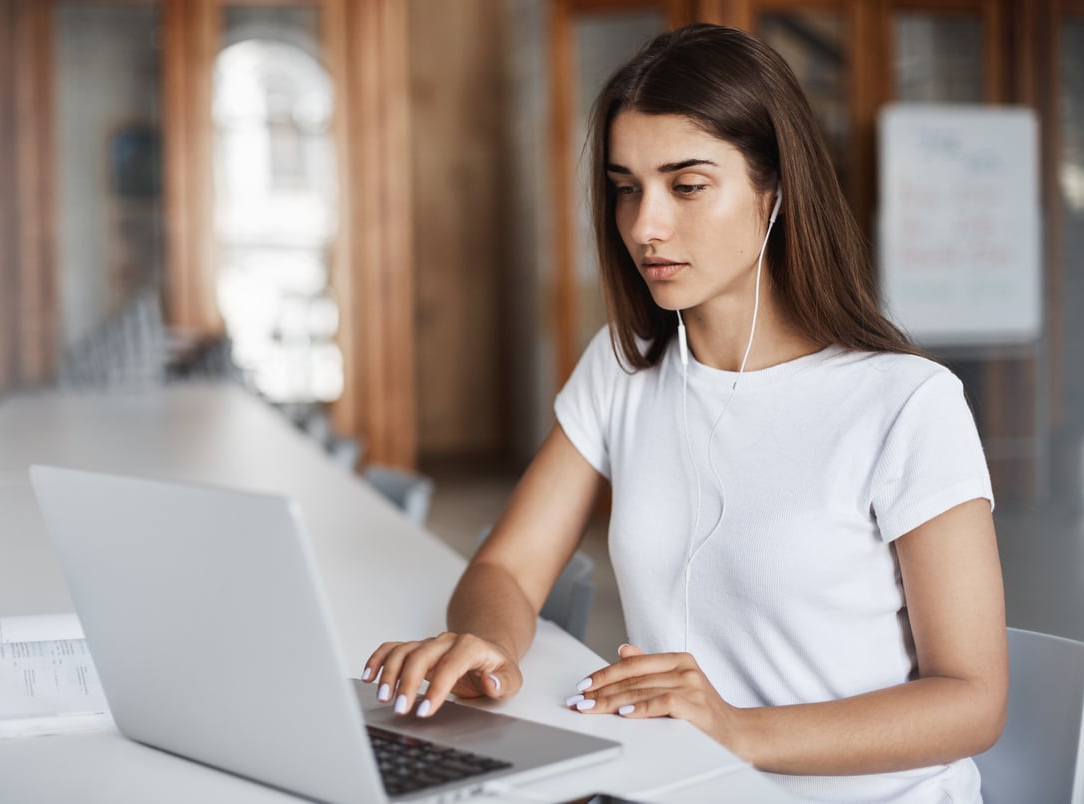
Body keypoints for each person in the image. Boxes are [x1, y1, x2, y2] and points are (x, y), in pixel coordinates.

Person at [362, 23, 1006, 803]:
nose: (644, 226)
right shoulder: (624, 365)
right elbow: (506, 565)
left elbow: (972, 699)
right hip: (689, 785)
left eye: (687, 185)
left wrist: (738, 727)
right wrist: (486, 644)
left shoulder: (906, 403)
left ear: (775, 191)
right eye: (626, 187)